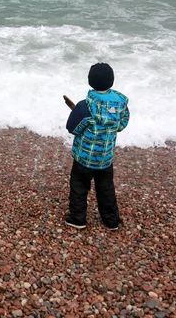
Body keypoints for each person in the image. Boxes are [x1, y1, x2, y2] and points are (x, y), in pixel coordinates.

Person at [64, 63, 130, 230]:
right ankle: (111, 220)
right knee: (106, 188)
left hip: (83, 158)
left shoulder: (84, 106)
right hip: (105, 158)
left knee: (79, 186)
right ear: (112, 81)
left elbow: (72, 128)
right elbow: (121, 125)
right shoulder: (121, 105)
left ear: (89, 81)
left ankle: (77, 218)